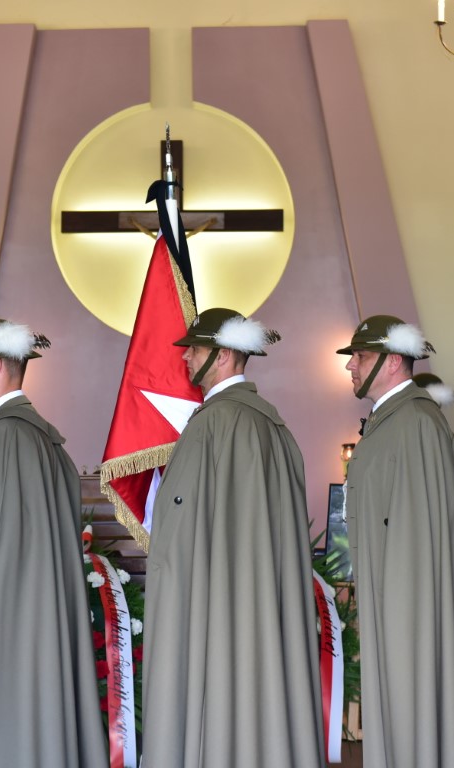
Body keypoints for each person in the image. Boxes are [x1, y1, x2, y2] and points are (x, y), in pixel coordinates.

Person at [339, 316, 454, 768]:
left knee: (415, 716)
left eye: (360, 355)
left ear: (392, 361)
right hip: (392, 602)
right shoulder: (394, 420)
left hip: (409, 610)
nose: (351, 366)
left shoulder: (416, 423)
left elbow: (420, 542)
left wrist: (403, 616)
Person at [142, 307, 323, 768]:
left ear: (222, 355)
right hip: (261, 605)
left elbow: (177, 531)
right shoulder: (274, 427)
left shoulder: (211, 424)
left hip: (218, 607)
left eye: (195, 350)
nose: (186, 358)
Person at [0, 319, 106, 768]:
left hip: (12, 620)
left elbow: (5, 548)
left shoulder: (5, 436)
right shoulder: (41, 436)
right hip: (42, 614)